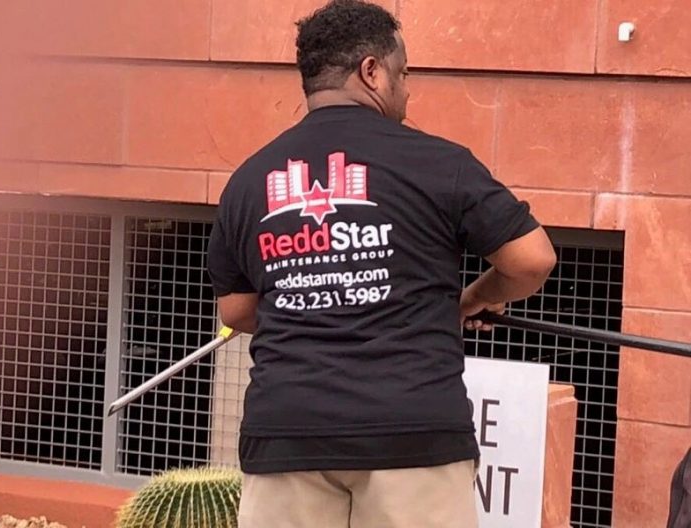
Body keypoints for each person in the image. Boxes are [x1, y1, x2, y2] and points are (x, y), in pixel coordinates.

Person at [207, 1, 557, 526]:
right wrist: (474, 299)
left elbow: (235, 310)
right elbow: (532, 259)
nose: (407, 89)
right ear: (371, 71)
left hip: (288, 435)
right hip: (412, 434)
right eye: (403, 73)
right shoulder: (439, 163)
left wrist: (316, 295)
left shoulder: (249, 180)